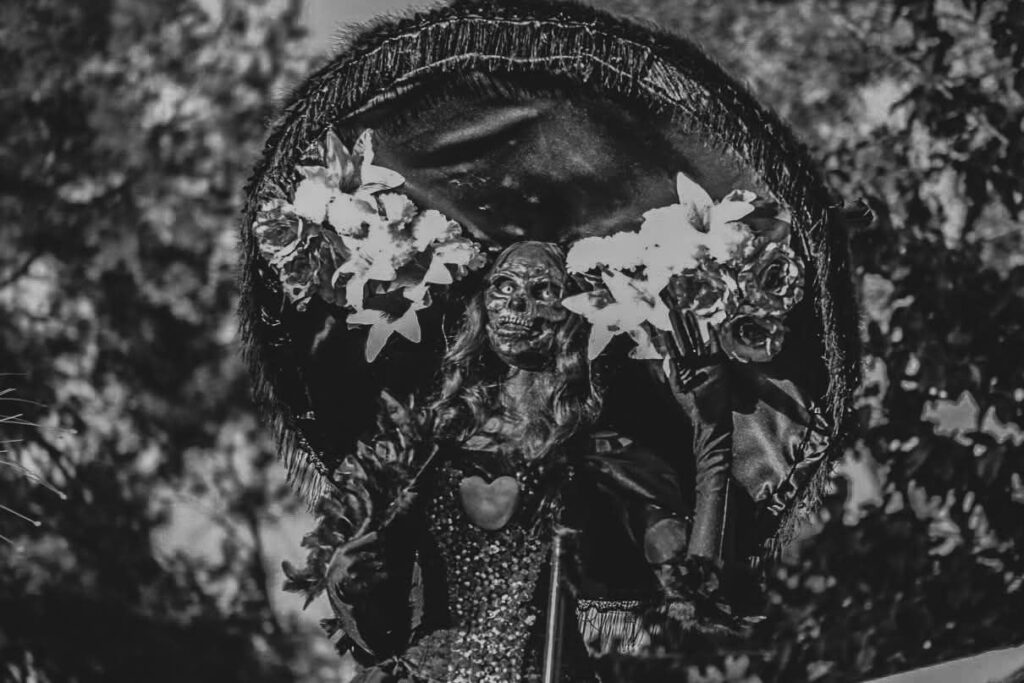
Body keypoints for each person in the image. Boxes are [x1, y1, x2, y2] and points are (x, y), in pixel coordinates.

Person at [239, 0, 861, 680]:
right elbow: (374, 635)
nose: (516, 304)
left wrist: (711, 433)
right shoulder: (414, 453)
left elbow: (695, 589)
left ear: (573, 316)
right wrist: (349, 579)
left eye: (541, 290)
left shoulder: (602, 461)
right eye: (505, 285)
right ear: (478, 305)